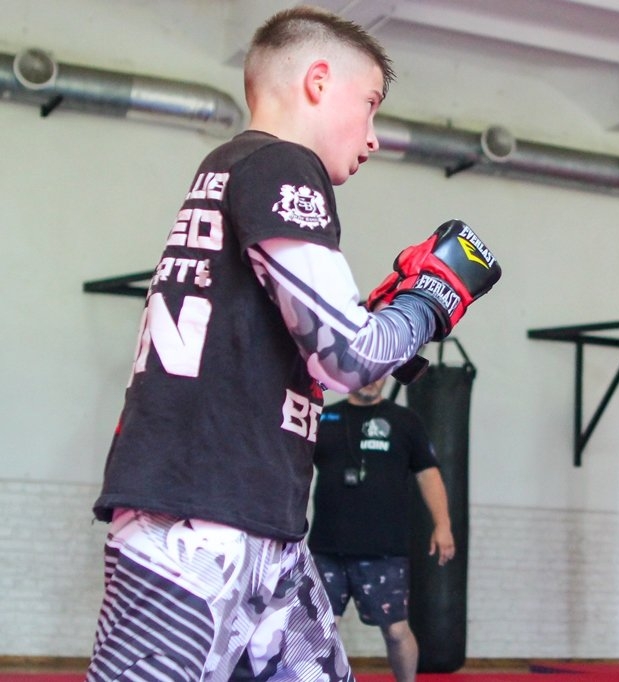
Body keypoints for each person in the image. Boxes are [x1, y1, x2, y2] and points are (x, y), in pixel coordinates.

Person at [86, 6, 499, 681]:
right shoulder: (280, 164)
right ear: (317, 81)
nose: (373, 137)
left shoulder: (235, 170)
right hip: (197, 524)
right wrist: (430, 300)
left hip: (256, 523)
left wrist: (381, 318)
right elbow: (349, 358)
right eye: (369, 105)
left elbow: (322, 361)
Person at [308, 376, 455, 682]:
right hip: (326, 547)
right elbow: (296, 465)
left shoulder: (405, 421)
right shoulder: (325, 417)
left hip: (384, 549)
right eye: (366, 374)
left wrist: (443, 525)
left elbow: (428, 474)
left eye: (379, 374)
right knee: (321, 627)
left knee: (396, 631)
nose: (372, 381)